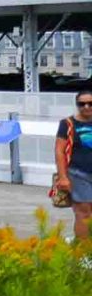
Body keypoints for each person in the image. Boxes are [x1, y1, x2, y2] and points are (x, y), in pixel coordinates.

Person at [56, 88, 92, 242]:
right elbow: (59, 151)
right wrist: (63, 177)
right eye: (82, 104)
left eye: (90, 104)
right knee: (83, 212)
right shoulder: (68, 124)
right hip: (78, 173)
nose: (86, 107)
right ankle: (84, 254)